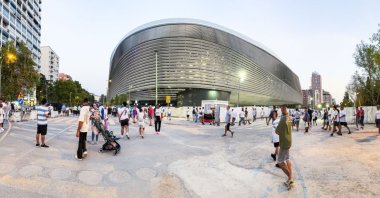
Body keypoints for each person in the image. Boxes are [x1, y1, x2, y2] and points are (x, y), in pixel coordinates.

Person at [275, 105, 294, 190]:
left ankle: (290, 178)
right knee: (287, 158)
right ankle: (290, 179)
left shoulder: (283, 119)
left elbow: (277, 131)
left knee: (280, 161)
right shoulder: (289, 117)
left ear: (282, 109)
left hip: (284, 142)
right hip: (289, 140)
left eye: (281, 108)